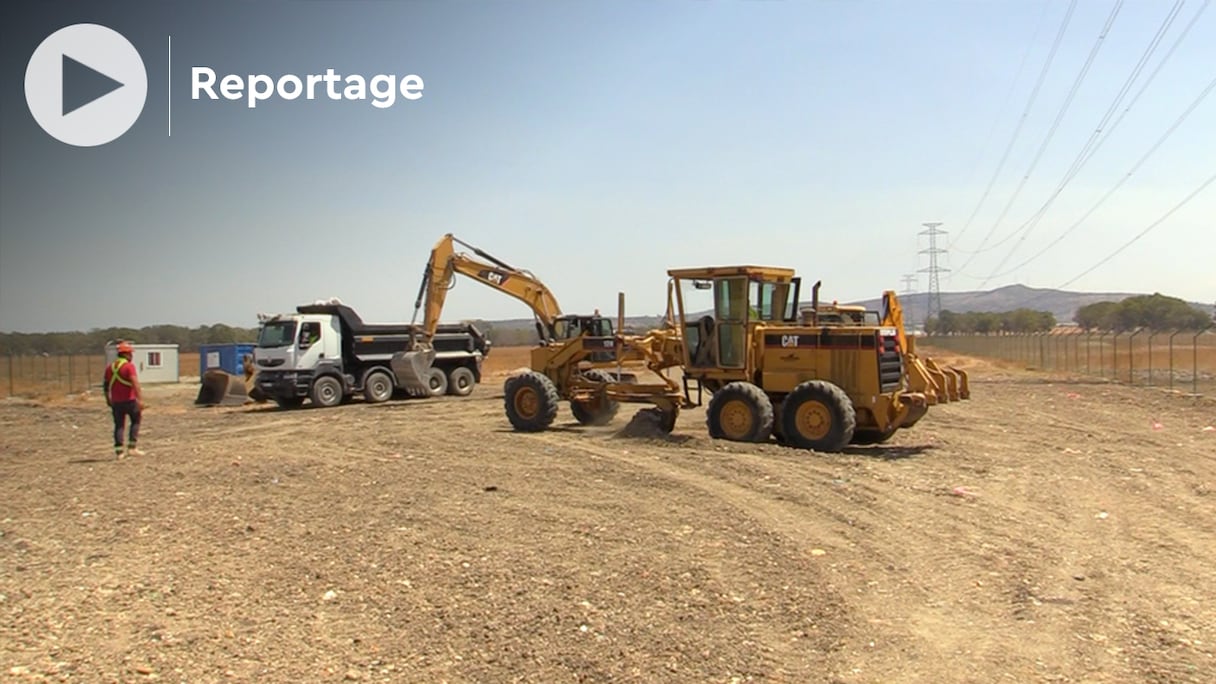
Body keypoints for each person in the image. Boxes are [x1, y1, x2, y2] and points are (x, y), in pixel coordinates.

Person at [104, 341, 145, 458]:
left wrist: (108, 398)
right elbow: (135, 383)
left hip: (116, 402)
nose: (131, 356)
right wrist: (140, 400)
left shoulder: (109, 368)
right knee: (136, 421)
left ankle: (119, 452)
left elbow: (106, 385)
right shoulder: (129, 367)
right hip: (130, 400)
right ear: (126, 354)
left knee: (119, 425)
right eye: (130, 353)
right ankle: (132, 448)